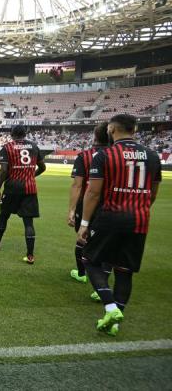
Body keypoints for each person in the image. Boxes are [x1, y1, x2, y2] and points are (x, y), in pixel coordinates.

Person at [77, 114, 162, 336]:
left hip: (111, 217)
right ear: (134, 129)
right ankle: (114, 324)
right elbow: (152, 194)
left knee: (89, 260)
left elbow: (93, 192)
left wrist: (84, 223)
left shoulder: (105, 155)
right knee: (124, 271)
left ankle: (111, 307)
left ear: (112, 129)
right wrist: (138, 208)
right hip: (139, 219)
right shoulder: (153, 156)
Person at [0, 125, 46, 264]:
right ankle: (30, 255)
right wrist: (31, 176)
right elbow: (43, 167)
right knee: (28, 223)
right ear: (25, 134)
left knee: (4, 216)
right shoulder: (34, 146)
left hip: (12, 188)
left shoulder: (7, 147)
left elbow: (4, 170)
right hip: (29, 188)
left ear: (12, 134)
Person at [67, 123, 109, 284]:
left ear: (95, 136)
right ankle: (102, 282)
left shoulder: (84, 156)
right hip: (110, 206)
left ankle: (82, 273)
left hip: (87, 205)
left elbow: (77, 185)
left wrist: (71, 210)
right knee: (106, 243)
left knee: (82, 239)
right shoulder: (116, 155)